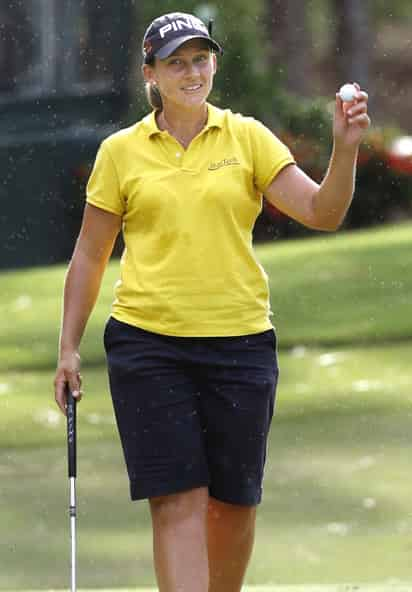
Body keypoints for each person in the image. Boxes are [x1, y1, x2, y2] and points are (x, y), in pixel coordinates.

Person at [54, 11, 370, 592]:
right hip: (147, 346)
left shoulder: (247, 137)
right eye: (176, 62)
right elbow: (90, 255)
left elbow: (323, 213)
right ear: (151, 73)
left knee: (234, 504)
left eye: (200, 59)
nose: (191, 71)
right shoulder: (120, 152)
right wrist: (68, 348)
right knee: (176, 500)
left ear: (215, 64)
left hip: (241, 343)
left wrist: (344, 149)